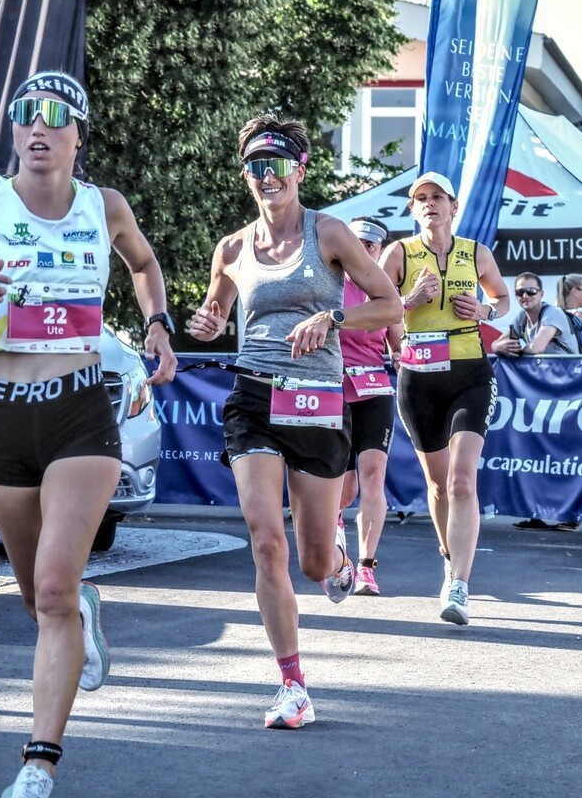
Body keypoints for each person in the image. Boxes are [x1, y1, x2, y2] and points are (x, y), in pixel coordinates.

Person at [0, 71, 177, 798]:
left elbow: (144, 264)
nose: (39, 126)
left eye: (57, 116)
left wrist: (156, 322)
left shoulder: (104, 206)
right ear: (15, 129)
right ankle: (81, 611)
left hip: (81, 410)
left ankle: (37, 762)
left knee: (53, 589)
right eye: (27, 113)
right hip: (0, 413)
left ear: (77, 135)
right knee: (38, 598)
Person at [187, 115, 400, 729]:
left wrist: (331, 321)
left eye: (278, 164)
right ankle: (292, 685)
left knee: (310, 562)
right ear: (245, 174)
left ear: (301, 170)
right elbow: (215, 312)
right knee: (265, 539)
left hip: (316, 401)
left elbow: (387, 306)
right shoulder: (231, 249)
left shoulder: (329, 233)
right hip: (254, 397)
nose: (267, 176)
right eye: (256, 165)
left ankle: (336, 560)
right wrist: (203, 326)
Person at [379, 171, 510, 625]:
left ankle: (460, 585)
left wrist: (486, 310)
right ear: (413, 210)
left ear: (454, 207)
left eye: (438, 197)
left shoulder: (476, 253)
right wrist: (410, 298)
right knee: (437, 486)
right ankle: (448, 558)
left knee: (461, 480)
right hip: (418, 376)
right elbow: (375, 307)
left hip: (470, 372)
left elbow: (503, 297)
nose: (430, 204)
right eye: (421, 198)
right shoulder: (399, 253)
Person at [338, 216, 403, 596]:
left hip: (375, 390)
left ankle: (366, 566)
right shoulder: (330, 285)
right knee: (343, 490)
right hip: (335, 390)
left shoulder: (386, 291)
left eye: (371, 246)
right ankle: (336, 533)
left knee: (373, 473)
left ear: (379, 251)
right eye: (357, 243)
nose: (363, 251)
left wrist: (402, 354)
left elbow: (399, 341)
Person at [492, 272, 577, 356]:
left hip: (568, 368)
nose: (525, 296)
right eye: (520, 292)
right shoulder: (521, 318)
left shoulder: (553, 312)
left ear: (541, 294)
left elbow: (536, 348)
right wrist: (497, 347)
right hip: (545, 368)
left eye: (531, 291)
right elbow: (497, 344)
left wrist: (516, 352)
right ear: (516, 296)